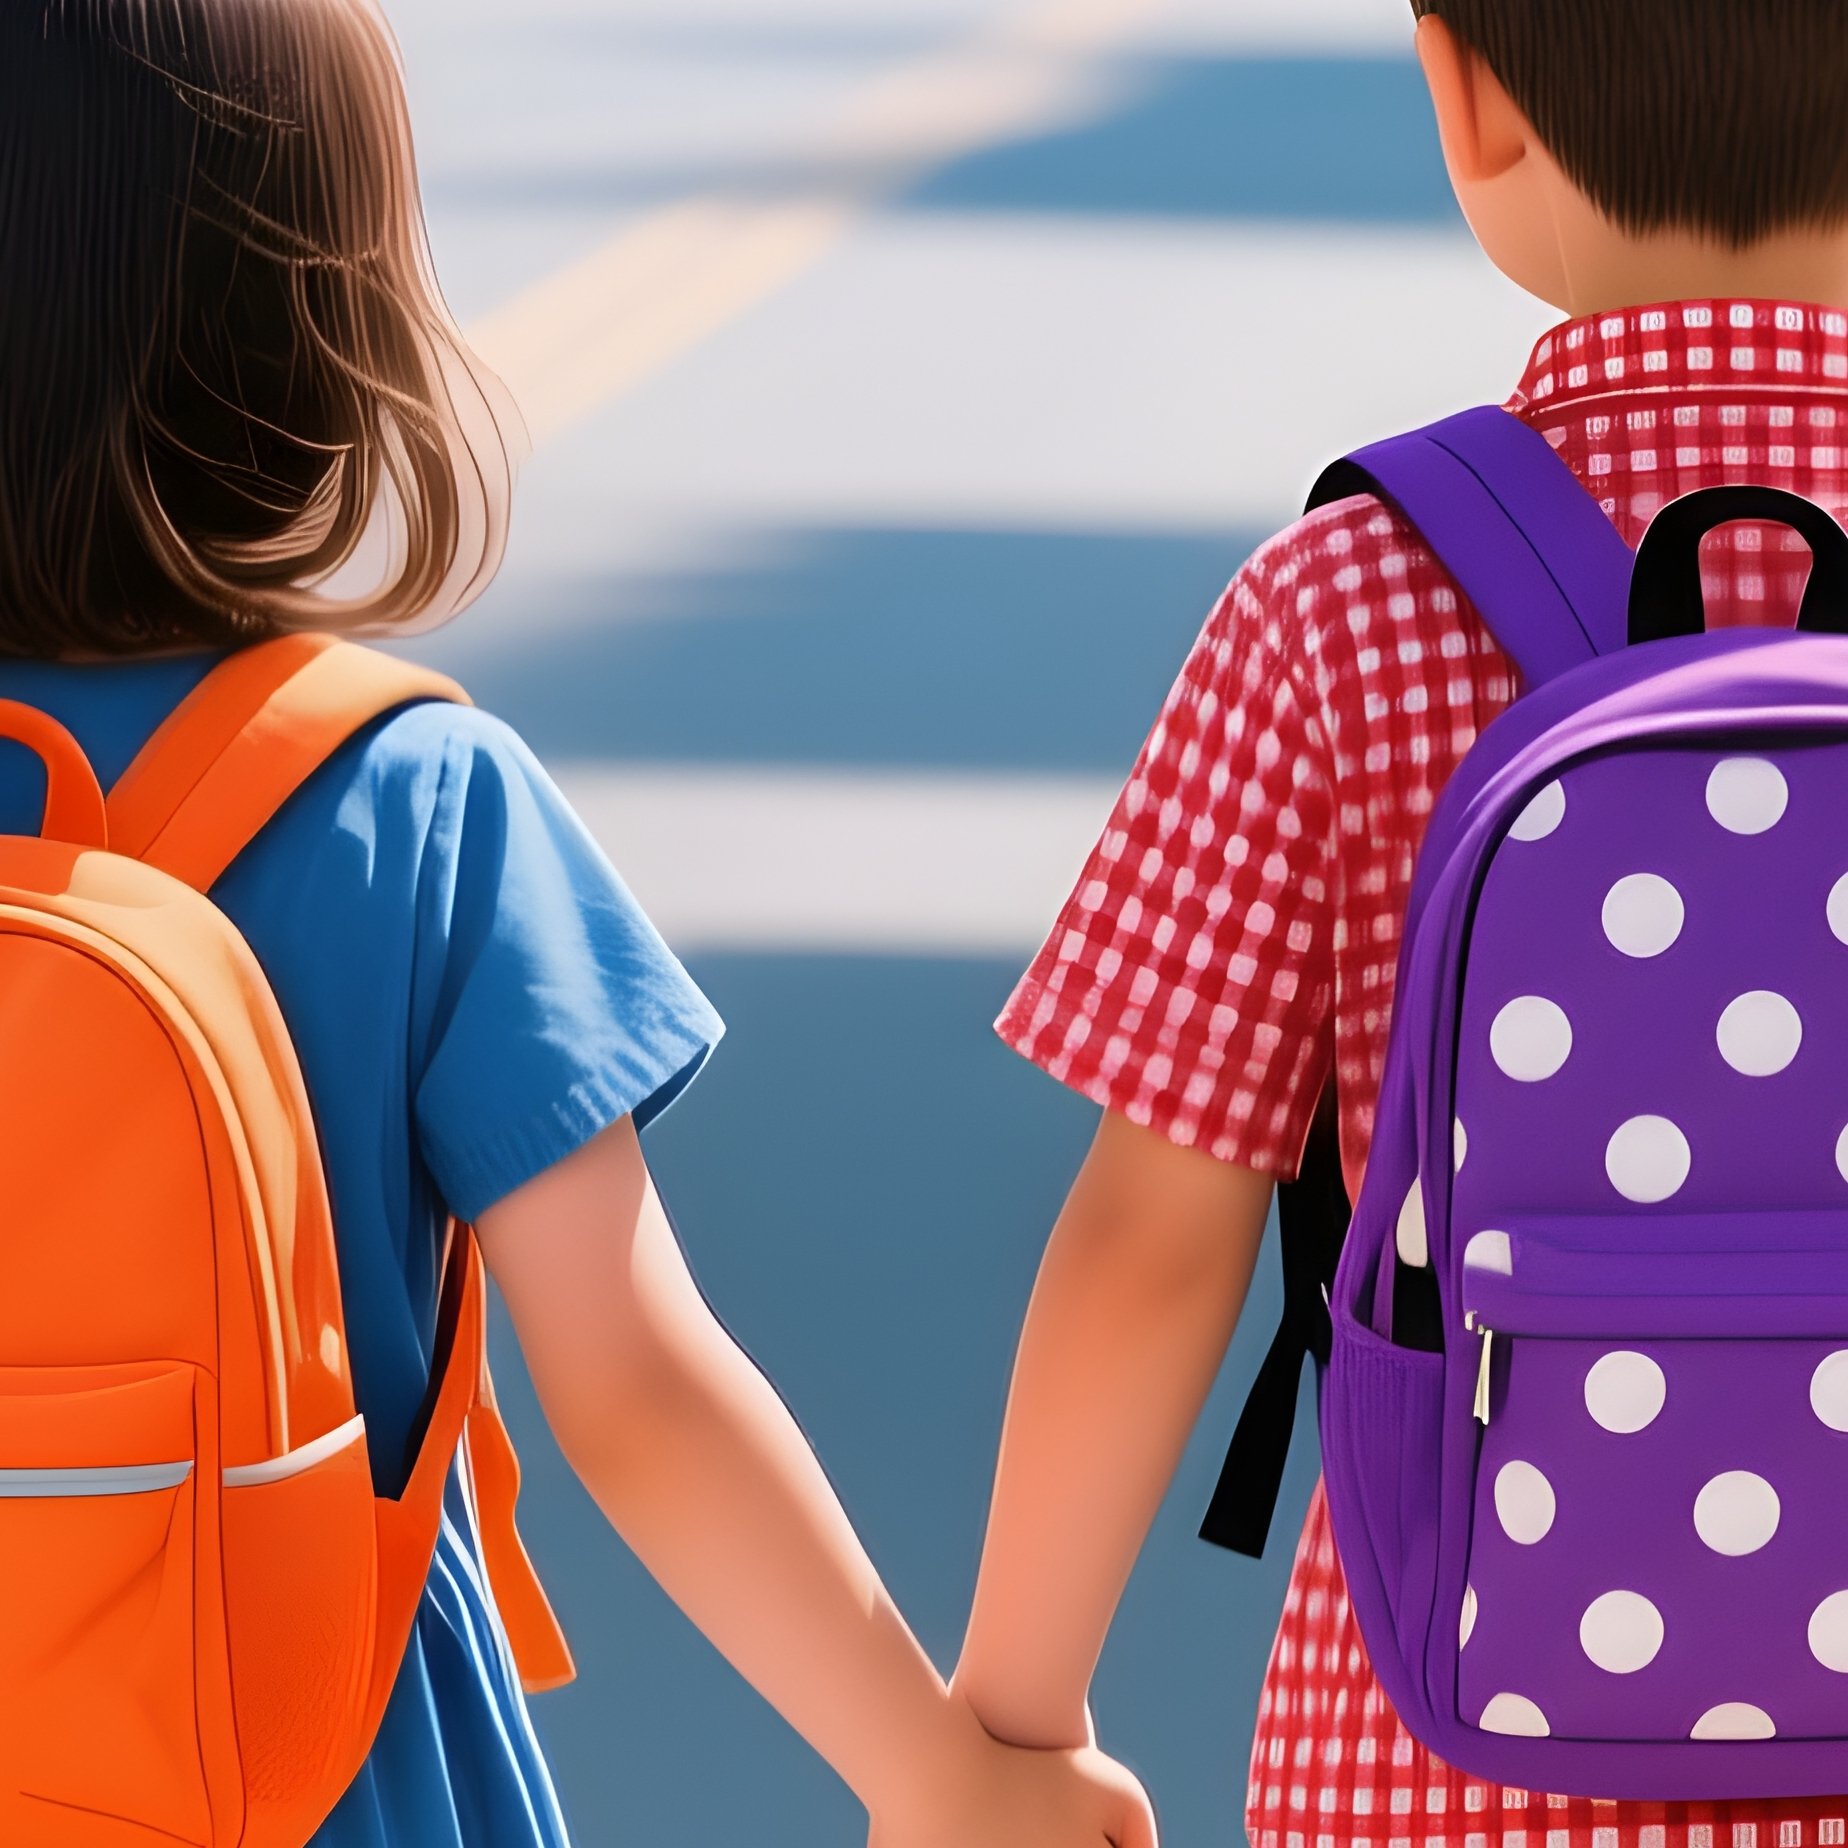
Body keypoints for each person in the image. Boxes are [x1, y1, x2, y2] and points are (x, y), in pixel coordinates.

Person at [0, 1, 1162, 1843]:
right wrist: (927, 1768)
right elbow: (629, 1384)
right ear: (309, 330)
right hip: (318, 1766)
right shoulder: (404, 800)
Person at [948, 5, 1848, 1847]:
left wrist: (1010, 1734)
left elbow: (1153, 1238)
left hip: (1461, 1751)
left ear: (1468, 90)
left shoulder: (1349, 603)